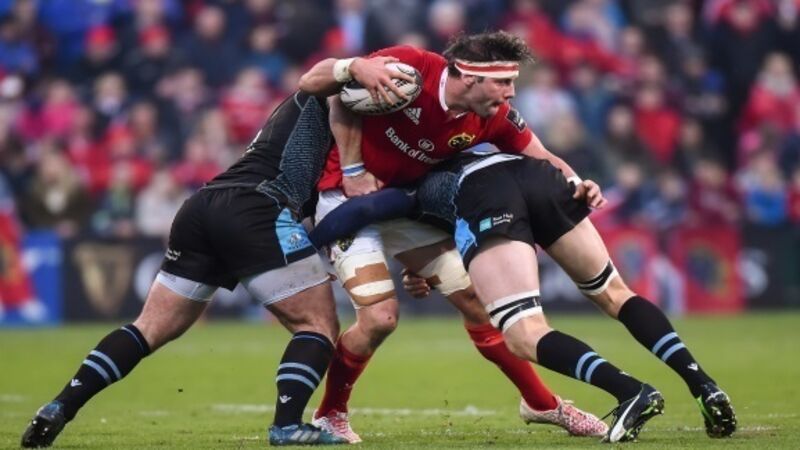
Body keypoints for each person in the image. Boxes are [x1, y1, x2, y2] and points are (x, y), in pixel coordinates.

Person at [18, 83, 402, 446]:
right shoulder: (325, 94)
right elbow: (327, 79)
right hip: (256, 206)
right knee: (316, 325)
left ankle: (60, 406)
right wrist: (360, 72)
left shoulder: (306, 124)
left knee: (148, 328)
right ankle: (287, 425)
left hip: (203, 205)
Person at [298, 31, 609, 442]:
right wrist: (353, 69)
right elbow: (320, 86)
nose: (511, 93)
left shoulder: (493, 116)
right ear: (470, 77)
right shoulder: (411, 67)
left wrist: (577, 183)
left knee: (476, 301)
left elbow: (544, 157)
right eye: (503, 82)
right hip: (345, 200)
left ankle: (541, 403)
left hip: (402, 207)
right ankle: (330, 413)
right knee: (380, 319)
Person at [313, 147, 738, 442]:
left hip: (489, 195)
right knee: (614, 293)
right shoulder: (475, 132)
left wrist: (306, 248)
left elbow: (365, 209)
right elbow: (531, 145)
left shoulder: (414, 182)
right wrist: (575, 179)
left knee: (523, 331)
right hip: (537, 175)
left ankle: (628, 390)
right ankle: (703, 385)